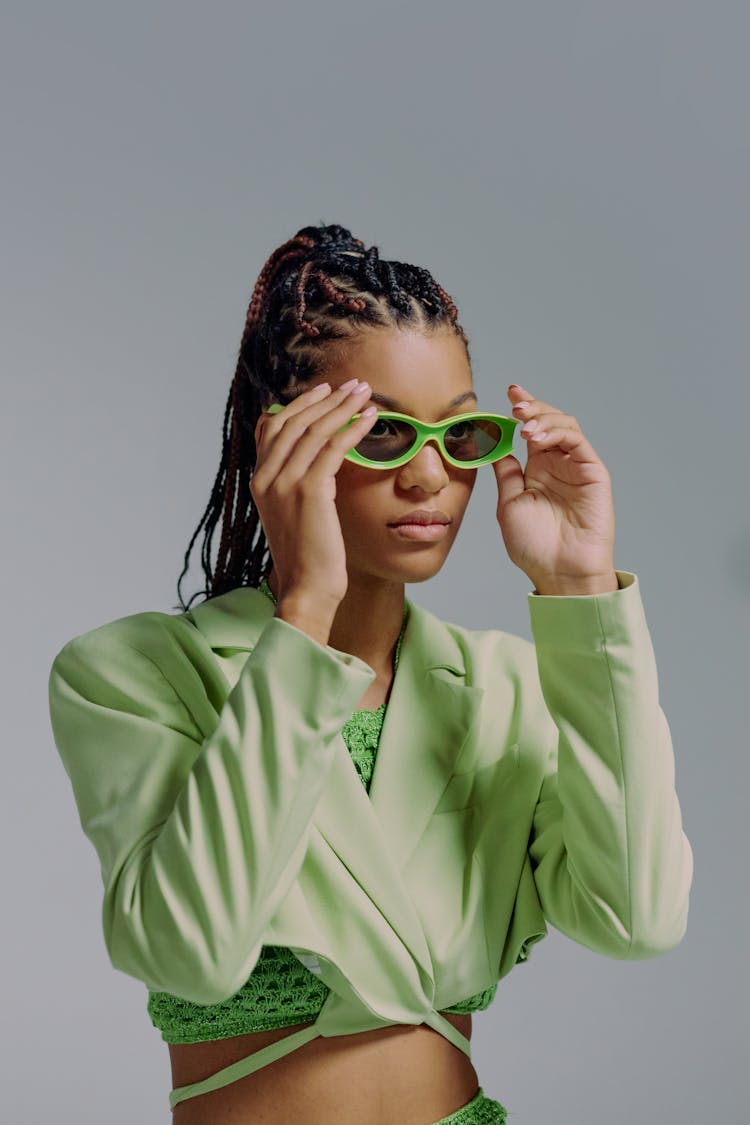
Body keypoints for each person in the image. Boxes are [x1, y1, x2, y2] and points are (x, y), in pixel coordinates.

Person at [48, 222, 694, 1123]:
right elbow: (191, 950)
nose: (431, 475)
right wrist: (306, 612)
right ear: (284, 442)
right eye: (384, 433)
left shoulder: (510, 685)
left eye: (462, 435)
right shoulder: (133, 672)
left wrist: (579, 588)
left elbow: (638, 919)